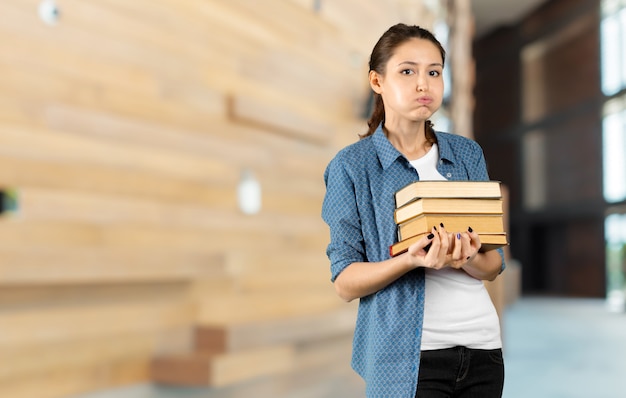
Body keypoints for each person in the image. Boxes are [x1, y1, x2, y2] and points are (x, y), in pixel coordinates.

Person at [321, 23, 506, 398]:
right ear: (377, 81)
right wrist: (411, 260)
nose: (424, 84)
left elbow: (493, 263)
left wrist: (464, 258)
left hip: (483, 350)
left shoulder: (468, 153)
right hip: (405, 357)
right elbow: (344, 282)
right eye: (407, 71)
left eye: (434, 72)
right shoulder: (352, 167)